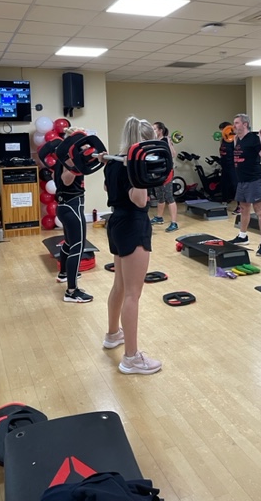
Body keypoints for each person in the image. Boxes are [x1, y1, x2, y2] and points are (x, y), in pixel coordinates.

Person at [100, 116, 162, 375]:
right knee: (132, 294)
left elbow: (108, 189)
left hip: (116, 222)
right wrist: (139, 174)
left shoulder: (113, 163)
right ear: (145, 142)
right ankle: (131, 358)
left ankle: (113, 334)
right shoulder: (132, 166)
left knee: (120, 285)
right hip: (134, 224)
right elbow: (139, 200)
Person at [54, 127, 93, 303]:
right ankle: (71, 291)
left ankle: (63, 273)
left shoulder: (65, 156)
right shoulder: (68, 158)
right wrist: (77, 162)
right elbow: (66, 180)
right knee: (78, 246)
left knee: (70, 243)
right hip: (71, 207)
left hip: (67, 206)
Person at [227, 113, 261, 257]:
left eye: (237, 123)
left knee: (259, 210)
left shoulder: (254, 138)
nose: (234, 125)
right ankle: (243, 236)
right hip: (242, 180)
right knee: (244, 208)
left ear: (245, 124)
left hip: (254, 179)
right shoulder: (237, 139)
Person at [150, 121, 178, 233]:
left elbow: (173, 154)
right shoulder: (155, 142)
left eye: (155, 129)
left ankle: (174, 223)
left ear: (160, 130)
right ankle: (159, 217)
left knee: (169, 197)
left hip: (166, 172)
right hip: (157, 172)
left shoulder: (165, 141)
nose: (153, 131)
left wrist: (170, 143)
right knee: (160, 196)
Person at [218, 121, 240, 215]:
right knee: (224, 184)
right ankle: (224, 201)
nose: (221, 132)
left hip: (233, 166)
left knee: (235, 185)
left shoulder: (234, 139)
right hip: (224, 165)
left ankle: (240, 206)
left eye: (222, 130)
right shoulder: (223, 139)